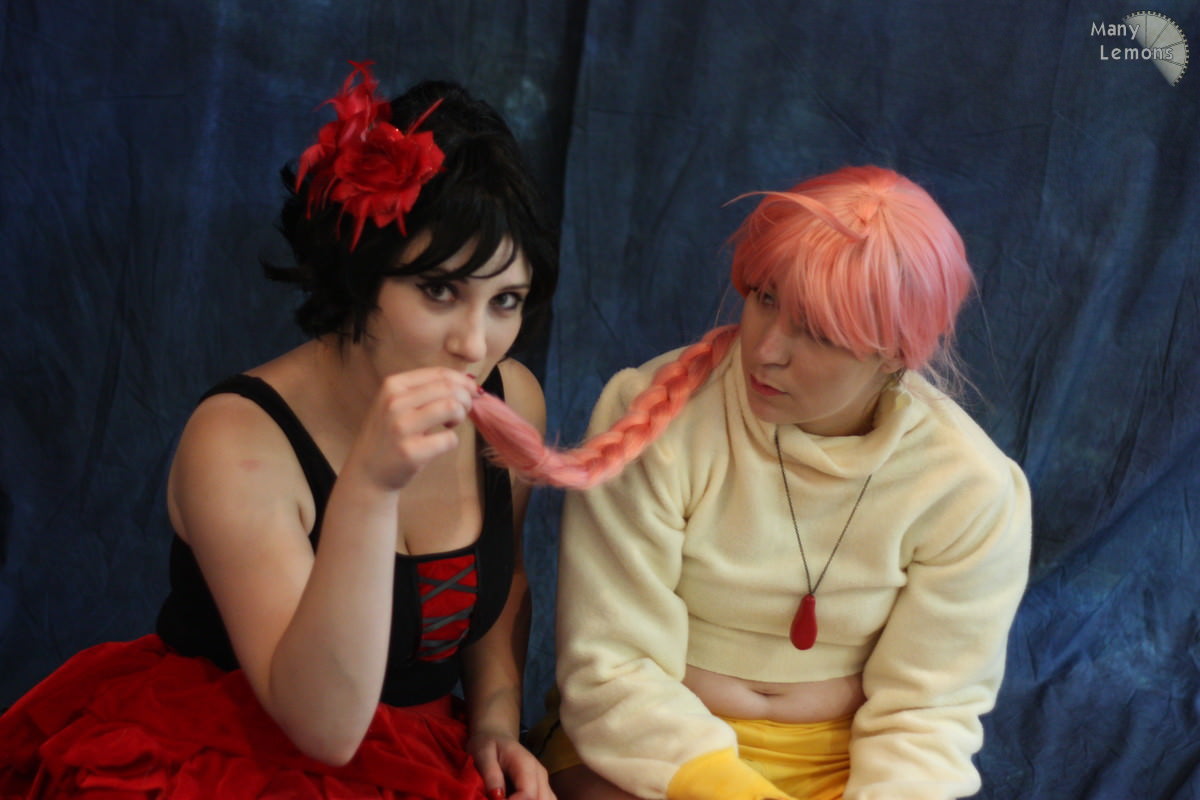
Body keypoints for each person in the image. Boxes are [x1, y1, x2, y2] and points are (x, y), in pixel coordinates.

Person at [0, 62, 557, 800]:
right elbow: (325, 727)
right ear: (359, 274)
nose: (474, 344)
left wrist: (494, 720)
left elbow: (502, 581)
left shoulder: (512, 397)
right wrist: (369, 486)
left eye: (506, 300)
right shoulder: (237, 439)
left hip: (424, 754)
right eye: (438, 289)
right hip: (239, 757)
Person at [480, 165, 1032, 799]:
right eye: (765, 299)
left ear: (894, 352)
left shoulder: (969, 486)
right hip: (647, 754)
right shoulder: (652, 419)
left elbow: (928, 713)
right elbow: (612, 670)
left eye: (817, 333)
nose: (766, 349)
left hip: (845, 766)